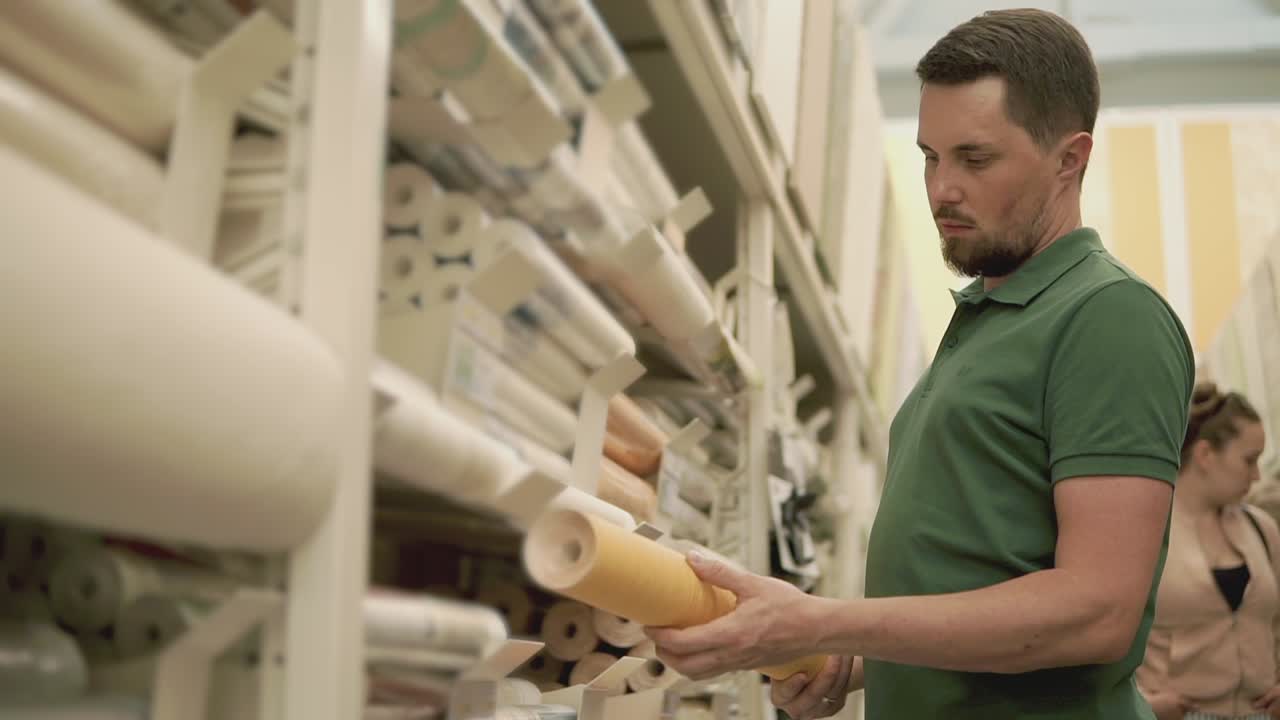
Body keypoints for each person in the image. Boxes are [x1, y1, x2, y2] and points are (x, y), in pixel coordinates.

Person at [645, 8, 1195, 720]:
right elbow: (978, 578)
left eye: (975, 159)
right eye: (930, 157)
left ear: (1070, 159)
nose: (941, 189)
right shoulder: (987, 321)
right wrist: (851, 659)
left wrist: (826, 622)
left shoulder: (1108, 317)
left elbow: (1096, 612)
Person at [1137, 384, 1279, 720]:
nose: (1257, 475)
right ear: (1205, 455)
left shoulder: (1261, 527)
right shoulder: (1148, 534)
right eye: (1249, 460)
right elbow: (1113, 631)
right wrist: (1143, 703)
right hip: (1181, 714)